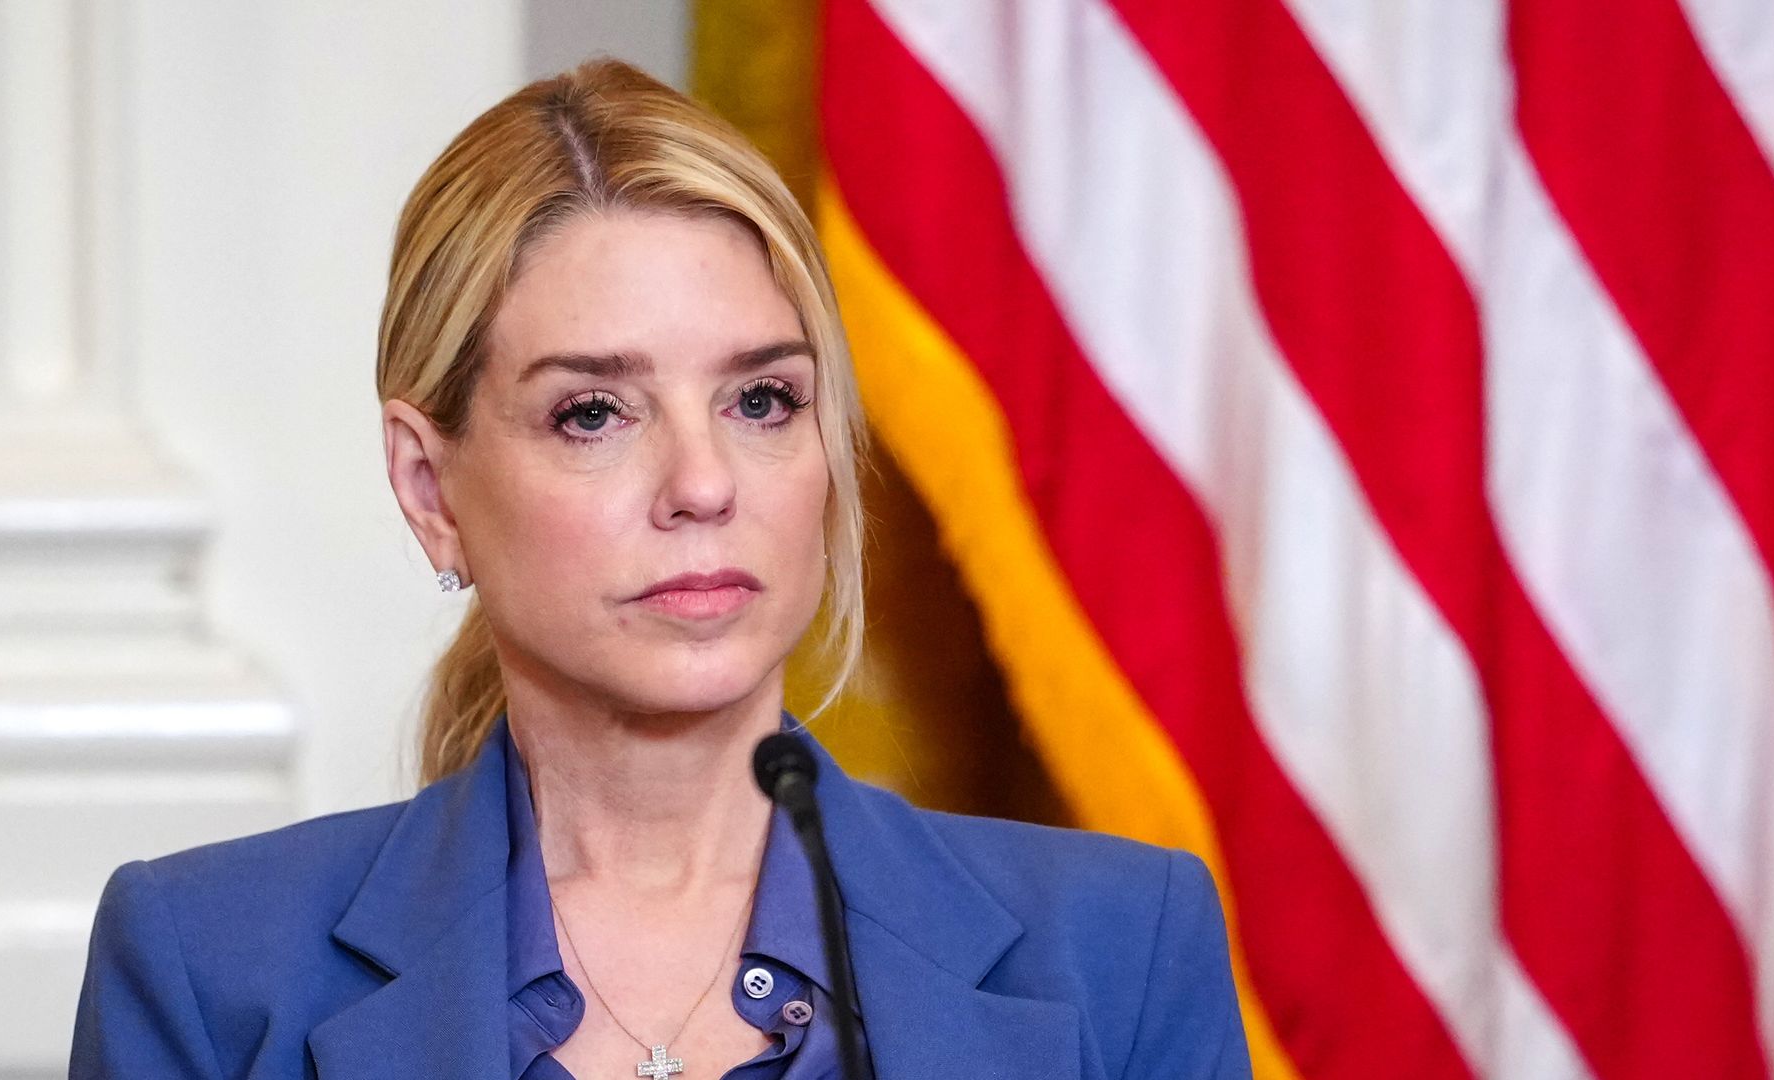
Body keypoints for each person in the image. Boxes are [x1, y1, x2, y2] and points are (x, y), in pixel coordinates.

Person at [67, 57, 1252, 1080]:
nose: (703, 482)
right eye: (594, 412)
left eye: (762, 399)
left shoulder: (1119, 949)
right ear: (432, 491)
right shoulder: (206, 965)